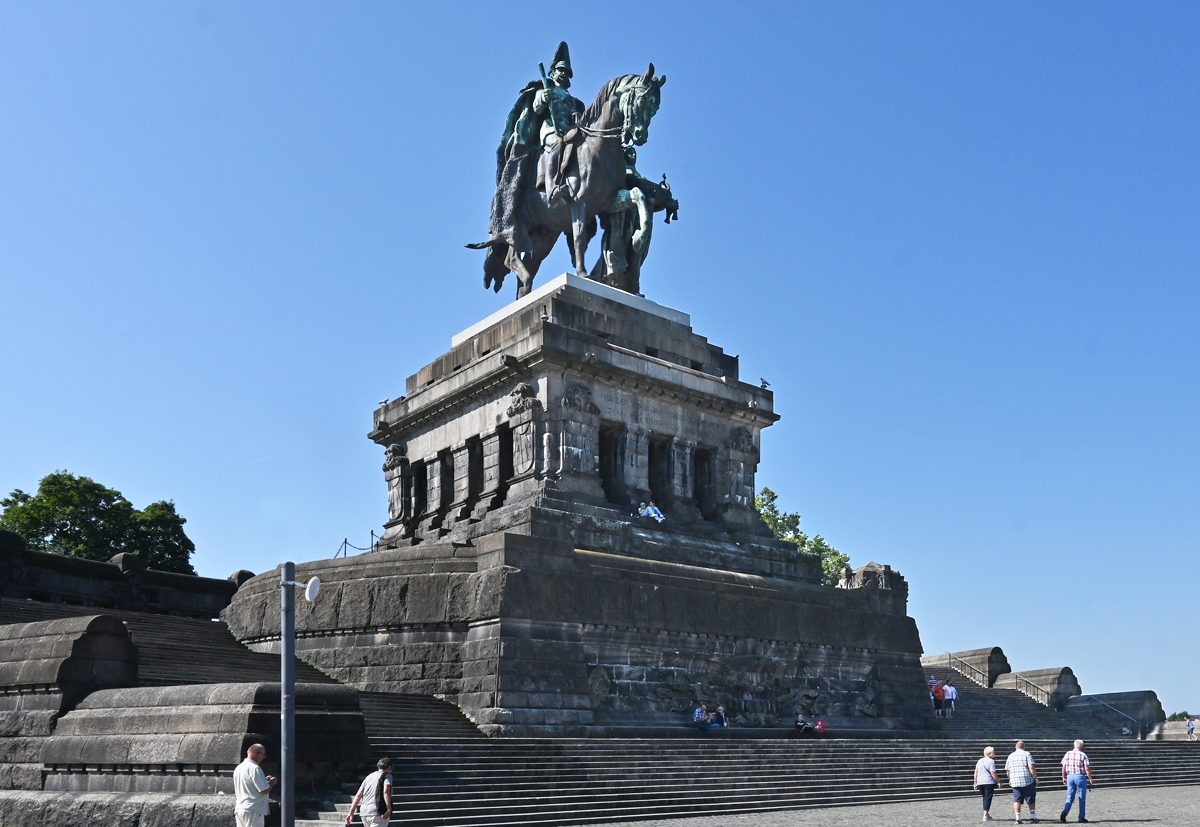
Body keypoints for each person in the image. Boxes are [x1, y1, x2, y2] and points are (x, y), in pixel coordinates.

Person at [233, 743, 277, 827]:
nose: (263, 759)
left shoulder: (239, 767)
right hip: (254, 810)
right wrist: (272, 782)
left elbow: (249, 784)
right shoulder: (254, 768)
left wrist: (264, 779)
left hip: (240, 809)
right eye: (263, 756)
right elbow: (265, 790)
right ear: (259, 754)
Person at [346, 757, 393, 827]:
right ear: (390, 767)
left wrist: (351, 811)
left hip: (364, 813)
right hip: (378, 812)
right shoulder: (387, 776)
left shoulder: (369, 777)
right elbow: (386, 791)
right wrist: (389, 809)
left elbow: (358, 795)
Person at [1004, 740, 1039, 823]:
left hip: (1015, 781)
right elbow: (1031, 767)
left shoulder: (1010, 756)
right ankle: (1033, 817)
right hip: (1027, 780)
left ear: (1015, 747)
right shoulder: (1027, 754)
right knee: (1030, 798)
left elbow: (1008, 770)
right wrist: (1036, 777)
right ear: (1024, 747)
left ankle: (1018, 818)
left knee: (1017, 799)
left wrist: (1010, 778)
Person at [1059, 740, 1093, 823]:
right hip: (1080, 776)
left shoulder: (1068, 753)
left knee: (1070, 796)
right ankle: (1081, 817)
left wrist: (1064, 777)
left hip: (1070, 776)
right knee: (1082, 798)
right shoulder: (1083, 755)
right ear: (1082, 746)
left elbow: (1064, 767)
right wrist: (1090, 778)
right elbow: (1087, 768)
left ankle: (1065, 812)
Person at [974, 745, 1003, 822]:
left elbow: (976, 772)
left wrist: (975, 782)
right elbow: (993, 773)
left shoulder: (980, 761)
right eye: (993, 752)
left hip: (980, 782)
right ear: (989, 753)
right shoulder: (991, 761)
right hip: (988, 782)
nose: (995, 754)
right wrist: (999, 781)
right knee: (988, 798)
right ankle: (985, 815)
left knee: (985, 798)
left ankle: (987, 814)